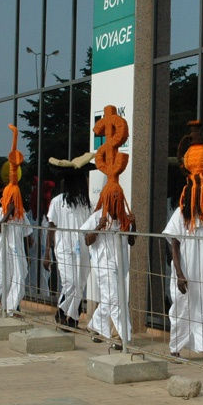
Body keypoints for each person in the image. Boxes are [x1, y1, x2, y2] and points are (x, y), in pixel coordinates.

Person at [163, 120, 203, 358]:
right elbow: (174, 242)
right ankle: (176, 348)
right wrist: (179, 272)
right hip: (186, 270)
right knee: (182, 307)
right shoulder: (181, 213)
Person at [84, 106, 137, 345]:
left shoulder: (123, 215)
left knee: (112, 299)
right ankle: (125, 339)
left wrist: (132, 226)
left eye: (118, 199)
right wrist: (100, 227)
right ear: (107, 198)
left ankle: (96, 325)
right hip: (103, 264)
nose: (116, 204)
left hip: (120, 265)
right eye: (112, 200)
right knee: (114, 300)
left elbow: (133, 241)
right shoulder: (99, 216)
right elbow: (86, 239)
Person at [45, 153, 94, 328]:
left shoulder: (87, 205)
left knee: (79, 284)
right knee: (71, 282)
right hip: (64, 248)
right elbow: (51, 227)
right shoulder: (58, 202)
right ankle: (63, 311)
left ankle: (70, 317)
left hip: (83, 250)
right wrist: (46, 253)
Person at [0, 127, 33, 313]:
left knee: (20, 276)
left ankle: (12, 306)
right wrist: (7, 214)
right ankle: (5, 306)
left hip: (18, 254)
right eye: (11, 199)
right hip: (4, 253)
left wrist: (28, 253)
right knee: (5, 278)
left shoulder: (22, 216)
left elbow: (28, 235)